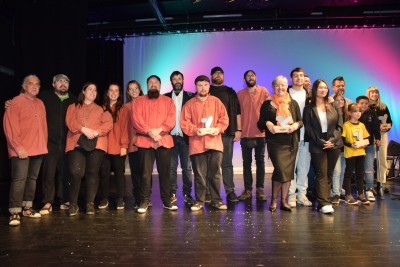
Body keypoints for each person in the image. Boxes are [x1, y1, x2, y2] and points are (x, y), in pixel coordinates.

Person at [5, 74, 77, 214]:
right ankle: (44, 203)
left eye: (66, 81)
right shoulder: (44, 97)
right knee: (44, 175)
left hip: (62, 144)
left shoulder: (74, 100)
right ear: (53, 84)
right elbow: (22, 104)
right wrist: (9, 103)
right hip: (45, 144)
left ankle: (60, 200)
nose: (63, 83)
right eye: (59, 81)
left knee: (59, 174)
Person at [4, 75, 48, 225]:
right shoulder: (15, 103)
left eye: (37, 84)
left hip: (38, 148)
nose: (34, 86)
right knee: (19, 179)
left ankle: (27, 208)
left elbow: (43, 128)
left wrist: (43, 144)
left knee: (32, 179)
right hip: (21, 150)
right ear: (24, 86)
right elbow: (10, 127)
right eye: (31, 84)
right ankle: (14, 211)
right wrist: (18, 148)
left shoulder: (40, 103)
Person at [180, 75, 229, 211]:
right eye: (200, 85)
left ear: (209, 86)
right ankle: (200, 201)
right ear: (195, 87)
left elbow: (224, 119)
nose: (203, 88)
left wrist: (217, 129)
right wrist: (196, 130)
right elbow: (184, 123)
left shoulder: (216, 102)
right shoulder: (189, 104)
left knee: (215, 174)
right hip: (197, 144)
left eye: (205, 85)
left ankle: (216, 200)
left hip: (214, 143)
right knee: (199, 175)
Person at [65, 82, 113, 216]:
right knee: (75, 172)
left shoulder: (102, 109)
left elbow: (108, 124)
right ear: (84, 92)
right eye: (90, 89)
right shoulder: (73, 107)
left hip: (96, 143)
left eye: (95, 90)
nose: (92, 92)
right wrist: (83, 129)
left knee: (92, 173)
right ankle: (73, 204)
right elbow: (70, 122)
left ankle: (90, 203)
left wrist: (96, 132)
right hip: (76, 143)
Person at [131, 75, 177, 213]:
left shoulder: (168, 101)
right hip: (145, 141)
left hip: (163, 140)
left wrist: (159, 130)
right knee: (145, 174)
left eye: (156, 82)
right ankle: (144, 200)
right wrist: (150, 131)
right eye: (150, 82)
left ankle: (166, 201)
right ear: (146, 85)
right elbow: (136, 120)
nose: (153, 84)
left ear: (160, 85)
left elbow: (171, 119)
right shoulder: (138, 101)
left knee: (165, 173)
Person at [257, 75, 302, 212]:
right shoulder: (267, 104)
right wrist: (268, 123)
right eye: (277, 85)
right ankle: (274, 200)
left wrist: (295, 125)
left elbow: (300, 121)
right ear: (273, 87)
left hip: (291, 143)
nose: (280, 87)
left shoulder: (292, 103)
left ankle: (284, 201)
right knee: (280, 170)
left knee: (287, 172)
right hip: (275, 143)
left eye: (283, 85)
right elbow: (260, 123)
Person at [303, 79, 343, 214]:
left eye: (325, 88)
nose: (324, 90)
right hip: (317, 144)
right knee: (321, 173)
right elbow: (308, 128)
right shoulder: (308, 108)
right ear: (315, 90)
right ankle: (323, 202)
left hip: (334, 143)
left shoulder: (334, 105)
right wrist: (321, 142)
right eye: (320, 88)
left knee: (329, 173)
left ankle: (324, 201)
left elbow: (340, 125)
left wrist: (332, 140)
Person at [209, 66, 241, 203]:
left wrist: (238, 130)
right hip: (209, 133)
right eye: (215, 73)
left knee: (227, 164)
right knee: (210, 164)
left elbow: (237, 112)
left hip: (227, 133)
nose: (218, 75)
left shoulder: (230, 92)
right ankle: (208, 192)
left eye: (221, 73)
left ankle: (230, 191)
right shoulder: (206, 91)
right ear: (211, 76)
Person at [236, 70, 269, 201]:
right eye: (248, 76)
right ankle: (247, 189)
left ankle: (260, 189)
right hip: (245, 134)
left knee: (260, 162)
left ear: (256, 77)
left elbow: (269, 108)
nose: (251, 77)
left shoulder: (263, 91)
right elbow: (237, 113)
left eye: (253, 75)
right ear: (244, 80)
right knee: (246, 163)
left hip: (261, 133)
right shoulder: (240, 94)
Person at [164, 71, 195, 205]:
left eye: (179, 79)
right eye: (174, 79)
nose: (177, 81)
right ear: (171, 81)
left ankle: (187, 194)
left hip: (185, 138)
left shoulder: (191, 97)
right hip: (170, 138)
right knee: (171, 168)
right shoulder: (164, 97)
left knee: (187, 168)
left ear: (183, 80)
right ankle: (172, 193)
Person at [98, 84, 130, 210]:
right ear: (107, 93)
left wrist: (124, 146)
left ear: (119, 94)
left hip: (118, 147)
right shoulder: (100, 108)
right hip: (103, 148)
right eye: (111, 90)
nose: (113, 93)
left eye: (116, 91)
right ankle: (104, 198)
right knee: (104, 175)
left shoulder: (123, 109)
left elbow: (125, 129)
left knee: (119, 175)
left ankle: (120, 198)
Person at [288, 67, 312, 207]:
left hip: (307, 136)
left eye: (301, 76)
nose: (299, 78)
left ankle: (302, 194)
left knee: (304, 167)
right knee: (291, 167)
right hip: (291, 136)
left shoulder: (310, 94)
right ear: (291, 79)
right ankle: (291, 195)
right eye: (296, 76)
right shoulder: (285, 93)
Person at [366, 86, 392, 194]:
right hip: (369, 135)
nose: (374, 94)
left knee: (382, 158)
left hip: (382, 135)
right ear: (368, 94)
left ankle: (381, 183)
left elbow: (390, 121)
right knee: (369, 160)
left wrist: (386, 126)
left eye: (376, 92)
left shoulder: (383, 106)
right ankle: (369, 184)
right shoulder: (365, 106)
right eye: (372, 93)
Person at [342, 103, 370, 205]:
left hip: (360, 152)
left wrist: (365, 144)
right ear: (349, 113)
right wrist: (351, 145)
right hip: (350, 153)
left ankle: (361, 194)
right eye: (355, 111)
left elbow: (366, 138)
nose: (358, 113)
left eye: (359, 111)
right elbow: (343, 139)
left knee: (359, 174)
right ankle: (348, 194)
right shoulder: (346, 125)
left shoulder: (362, 125)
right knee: (349, 174)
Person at [124, 80, 145, 209]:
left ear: (140, 89)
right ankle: (138, 198)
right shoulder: (125, 108)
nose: (134, 90)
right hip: (133, 143)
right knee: (136, 172)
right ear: (128, 92)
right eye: (131, 88)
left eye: (136, 88)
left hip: (146, 143)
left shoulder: (147, 104)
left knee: (145, 173)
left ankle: (145, 198)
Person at [357, 95, 381, 202]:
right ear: (357, 103)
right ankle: (360, 190)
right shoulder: (354, 113)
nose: (364, 105)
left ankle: (369, 189)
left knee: (369, 168)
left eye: (366, 103)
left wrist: (378, 138)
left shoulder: (372, 114)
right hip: (356, 145)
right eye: (362, 103)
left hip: (369, 144)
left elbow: (376, 126)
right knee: (357, 169)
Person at [331, 93, 348, 203]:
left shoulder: (348, 115)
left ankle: (338, 189)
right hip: (336, 145)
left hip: (346, 147)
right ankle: (335, 193)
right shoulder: (332, 114)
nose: (340, 102)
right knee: (336, 171)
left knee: (342, 170)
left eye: (342, 100)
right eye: (337, 100)